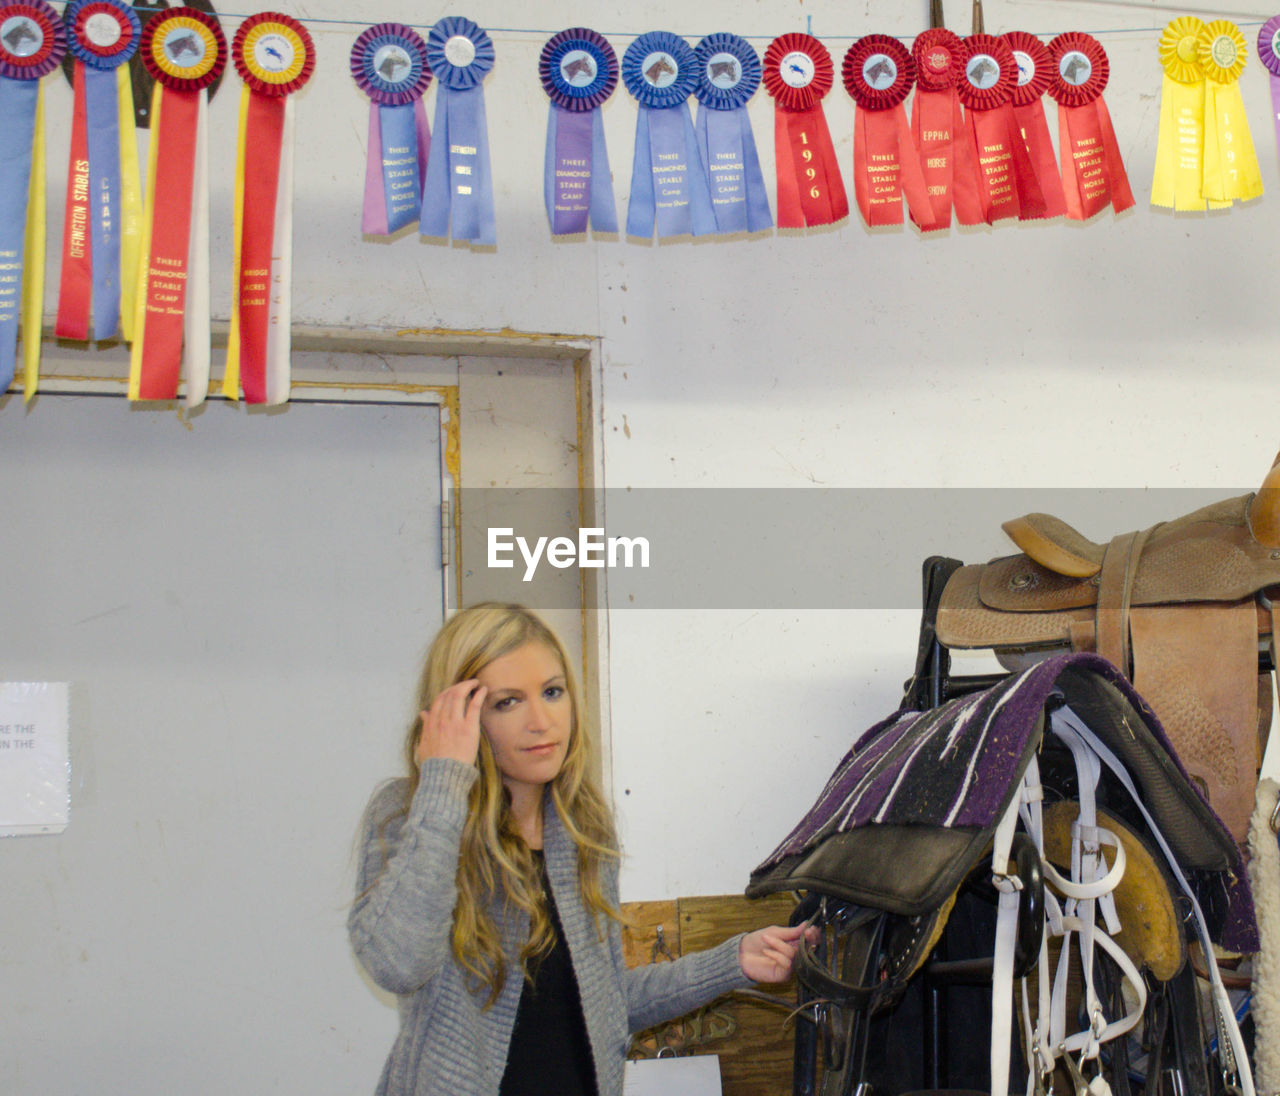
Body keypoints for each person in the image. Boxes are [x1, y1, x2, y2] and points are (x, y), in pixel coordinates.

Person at [349, 602, 812, 1096]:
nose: (541, 721)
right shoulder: (410, 812)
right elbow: (397, 963)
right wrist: (443, 785)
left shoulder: (582, 829)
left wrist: (732, 961)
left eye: (552, 692)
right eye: (508, 702)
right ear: (460, 716)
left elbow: (604, 1004)